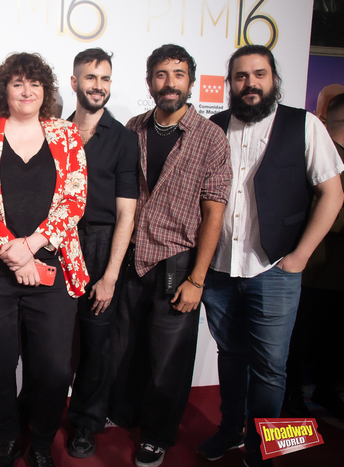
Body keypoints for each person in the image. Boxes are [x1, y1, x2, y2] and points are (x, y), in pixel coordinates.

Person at [199, 45, 344, 467]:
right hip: (221, 269)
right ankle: (230, 431)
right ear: (230, 84)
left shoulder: (305, 125)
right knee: (231, 356)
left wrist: (300, 255)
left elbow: (332, 194)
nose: (250, 84)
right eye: (241, 77)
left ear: (273, 79)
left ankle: (263, 448)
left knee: (269, 368)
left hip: (276, 270)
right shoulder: (214, 126)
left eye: (258, 74)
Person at [0, 52, 89, 467]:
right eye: (17, 83)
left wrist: (33, 245)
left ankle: (42, 441)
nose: (26, 91)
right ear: (3, 90)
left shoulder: (65, 135)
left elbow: (75, 200)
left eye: (35, 84)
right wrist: (13, 251)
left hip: (55, 268)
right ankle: (9, 437)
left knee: (54, 367)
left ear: (45, 91)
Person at [108, 44, 231, 467]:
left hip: (177, 263)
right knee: (125, 348)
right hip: (130, 257)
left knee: (168, 361)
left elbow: (215, 213)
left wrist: (197, 279)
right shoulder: (133, 128)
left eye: (179, 74)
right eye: (161, 75)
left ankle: (157, 435)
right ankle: (125, 413)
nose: (170, 83)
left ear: (191, 82)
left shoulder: (210, 137)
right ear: (149, 83)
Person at [64, 48, 138, 459]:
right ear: (75, 83)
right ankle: (39, 410)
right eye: (91, 77)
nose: (98, 86)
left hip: (102, 245)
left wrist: (110, 275)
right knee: (51, 341)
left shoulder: (124, 139)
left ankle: (85, 423)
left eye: (105, 78)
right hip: (57, 244)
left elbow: (127, 212)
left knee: (96, 344)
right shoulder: (53, 131)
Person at [284, 89, 344, 420]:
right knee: (299, 337)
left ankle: (324, 388)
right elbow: (321, 207)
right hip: (311, 268)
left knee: (331, 337)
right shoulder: (319, 150)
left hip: (331, 272)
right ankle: (291, 395)